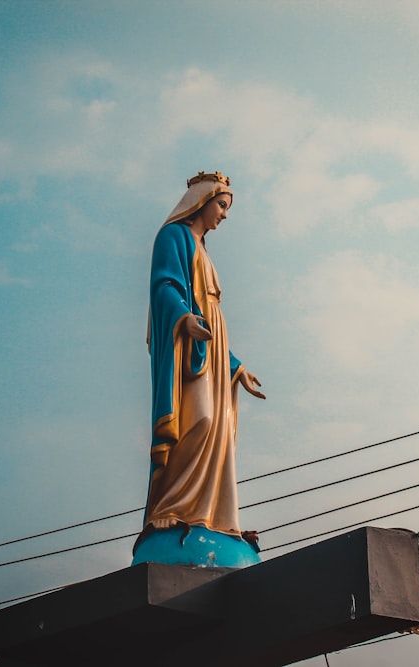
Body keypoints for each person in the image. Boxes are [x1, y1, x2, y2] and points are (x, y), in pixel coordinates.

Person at [136, 171, 265, 560]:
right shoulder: (172, 237)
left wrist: (236, 367)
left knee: (218, 431)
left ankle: (209, 514)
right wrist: (182, 318)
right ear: (202, 201)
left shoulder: (204, 250)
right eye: (222, 205)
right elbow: (165, 286)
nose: (224, 215)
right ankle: (169, 508)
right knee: (200, 420)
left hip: (211, 347)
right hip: (188, 342)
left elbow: (210, 309)